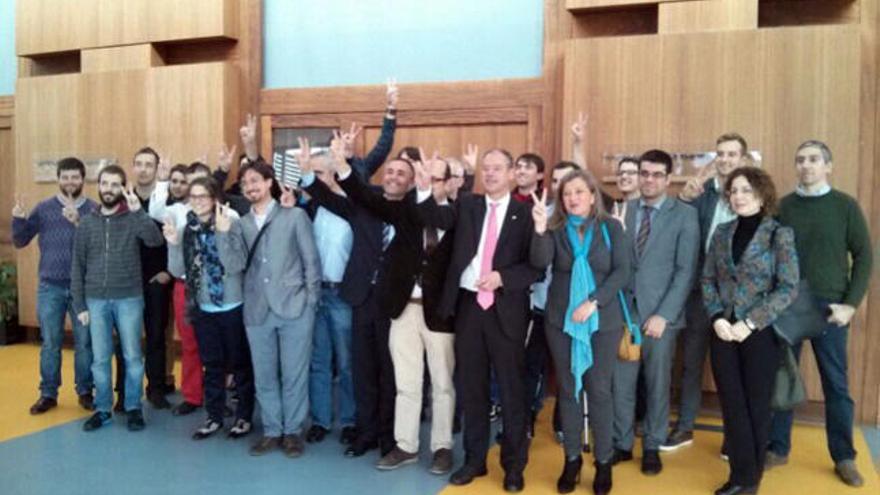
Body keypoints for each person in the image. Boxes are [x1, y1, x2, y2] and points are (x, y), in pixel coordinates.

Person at [417, 148, 540, 493]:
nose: (490, 174)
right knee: (472, 391)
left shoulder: (527, 213)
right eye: (485, 169)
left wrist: (504, 277)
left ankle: (514, 467)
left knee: (513, 393)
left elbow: (535, 266)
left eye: (497, 168)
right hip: (469, 308)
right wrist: (427, 187)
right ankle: (474, 460)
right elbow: (434, 218)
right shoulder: (467, 207)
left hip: (506, 311)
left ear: (512, 173)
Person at [333, 147, 457, 475]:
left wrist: (427, 191)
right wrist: (343, 167)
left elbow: (439, 218)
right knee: (406, 382)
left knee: (442, 385)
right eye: (423, 174)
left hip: (440, 314)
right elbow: (366, 198)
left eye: (433, 176)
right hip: (403, 310)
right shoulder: (406, 211)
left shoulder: (459, 215)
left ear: (448, 183)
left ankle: (442, 447)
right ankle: (405, 445)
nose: (424, 180)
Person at [767, 140, 873, 487]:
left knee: (836, 386)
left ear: (828, 166)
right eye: (801, 160)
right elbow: (769, 256)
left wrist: (851, 305)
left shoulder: (845, 206)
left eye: (814, 160)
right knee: (783, 379)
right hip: (789, 309)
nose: (806, 165)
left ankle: (844, 456)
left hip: (831, 310)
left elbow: (865, 257)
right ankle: (777, 448)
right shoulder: (783, 207)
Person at [530, 168, 630, 495]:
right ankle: (571, 459)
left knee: (599, 390)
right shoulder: (555, 228)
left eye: (578, 192)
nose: (572, 198)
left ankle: (603, 461)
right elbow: (539, 262)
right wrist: (540, 230)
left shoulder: (611, 227)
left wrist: (594, 302)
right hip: (561, 319)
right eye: (567, 194)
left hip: (603, 320)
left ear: (592, 196)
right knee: (570, 391)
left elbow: (622, 272)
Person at [702, 166, 799, 495]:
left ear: (761, 194)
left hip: (759, 332)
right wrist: (717, 316)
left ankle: (751, 478)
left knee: (756, 405)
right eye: (733, 191)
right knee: (731, 404)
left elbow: (788, 287)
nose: (738, 196)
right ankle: (739, 475)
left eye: (746, 190)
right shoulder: (722, 232)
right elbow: (707, 279)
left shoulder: (778, 234)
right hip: (722, 330)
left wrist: (750, 322)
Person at [301, 139, 398, 459]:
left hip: (379, 300)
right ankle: (336, 424)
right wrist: (306, 176)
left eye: (400, 176)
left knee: (360, 366)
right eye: (390, 175)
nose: (392, 180)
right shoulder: (348, 207)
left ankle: (359, 425)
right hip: (341, 294)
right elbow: (325, 197)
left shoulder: (405, 211)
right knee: (331, 362)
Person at [612, 149, 699, 475]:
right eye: (644, 173)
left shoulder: (684, 215)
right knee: (621, 384)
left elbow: (685, 270)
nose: (649, 180)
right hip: (624, 313)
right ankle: (622, 443)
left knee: (657, 384)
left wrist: (664, 314)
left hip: (662, 317)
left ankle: (652, 445)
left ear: (668, 177)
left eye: (656, 174)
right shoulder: (625, 209)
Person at [664, 133, 751, 452]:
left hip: (741, 298)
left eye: (732, 154)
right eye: (720, 154)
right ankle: (685, 427)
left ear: (743, 159)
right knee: (691, 363)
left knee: (732, 369)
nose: (725, 159)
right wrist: (685, 199)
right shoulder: (702, 193)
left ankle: (734, 437)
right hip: (701, 293)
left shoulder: (753, 195)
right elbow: (676, 224)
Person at [235, 161, 320, 458]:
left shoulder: (294, 215)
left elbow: (311, 261)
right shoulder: (240, 224)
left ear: (270, 182)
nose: (250, 187)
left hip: (295, 307)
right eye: (245, 183)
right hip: (257, 310)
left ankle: (293, 431)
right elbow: (235, 264)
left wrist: (311, 302)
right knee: (264, 374)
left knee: (295, 373)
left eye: (256, 180)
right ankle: (272, 430)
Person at [71, 165, 163, 431]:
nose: (108, 189)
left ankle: (133, 407)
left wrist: (139, 213)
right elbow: (77, 265)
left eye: (114, 185)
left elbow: (155, 240)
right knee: (100, 359)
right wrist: (79, 304)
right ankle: (102, 409)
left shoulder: (133, 217)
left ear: (123, 188)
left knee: (133, 356)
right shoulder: (87, 222)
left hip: (129, 299)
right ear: (98, 186)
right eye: (104, 184)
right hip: (95, 301)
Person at [164, 177, 255, 440]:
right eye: (193, 197)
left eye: (203, 196)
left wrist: (224, 234)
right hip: (203, 307)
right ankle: (214, 416)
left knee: (240, 365)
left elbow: (236, 264)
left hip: (232, 305)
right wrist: (172, 244)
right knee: (212, 365)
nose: (198, 201)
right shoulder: (188, 229)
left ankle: (243, 417)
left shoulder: (232, 222)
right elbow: (177, 270)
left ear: (215, 198)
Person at [150, 161, 238, 416]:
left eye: (203, 189)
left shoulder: (228, 215)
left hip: (218, 287)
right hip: (186, 285)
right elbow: (155, 210)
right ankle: (192, 395)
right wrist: (163, 181)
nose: (197, 196)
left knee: (218, 346)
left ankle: (218, 398)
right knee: (190, 344)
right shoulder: (177, 212)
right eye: (193, 189)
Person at [12, 157, 97, 414]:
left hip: (83, 288)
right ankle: (48, 393)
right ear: (58, 179)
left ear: (83, 179)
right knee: (50, 343)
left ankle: (85, 391)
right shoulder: (45, 208)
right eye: (65, 177)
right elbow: (20, 240)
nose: (70, 182)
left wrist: (77, 223)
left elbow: (98, 245)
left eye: (75, 177)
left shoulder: (93, 209)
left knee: (85, 343)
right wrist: (18, 218)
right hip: (50, 286)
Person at [302, 151, 357, 447]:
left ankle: (349, 420)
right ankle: (320, 421)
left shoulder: (353, 208)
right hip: (315, 294)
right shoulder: (310, 207)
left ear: (335, 174)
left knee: (348, 363)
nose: (313, 180)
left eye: (319, 173)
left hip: (342, 295)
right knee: (318, 361)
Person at [126, 147, 174, 410]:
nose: (143, 169)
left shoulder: (164, 200)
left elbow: (174, 237)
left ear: (156, 169)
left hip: (157, 279)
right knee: (128, 338)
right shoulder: (123, 199)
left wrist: (169, 271)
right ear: (133, 167)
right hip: (128, 280)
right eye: (139, 164)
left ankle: (156, 388)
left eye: (149, 164)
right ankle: (125, 390)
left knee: (156, 335)